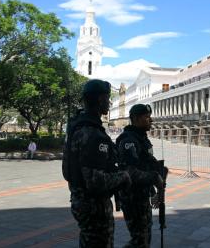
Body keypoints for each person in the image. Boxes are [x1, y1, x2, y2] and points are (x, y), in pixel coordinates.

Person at [62, 79, 132, 247]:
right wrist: (123, 177)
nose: (108, 102)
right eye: (107, 98)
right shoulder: (92, 133)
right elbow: (95, 180)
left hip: (83, 202)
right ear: (100, 99)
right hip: (94, 206)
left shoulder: (79, 127)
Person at [116, 104, 166, 248]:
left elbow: (147, 166)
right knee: (139, 240)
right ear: (136, 119)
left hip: (142, 196)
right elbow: (130, 172)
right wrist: (155, 178)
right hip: (132, 198)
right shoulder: (128, 141)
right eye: (147, 117)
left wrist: (153, 192)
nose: (151, 120)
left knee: (144, 237)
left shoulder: (141, 139)